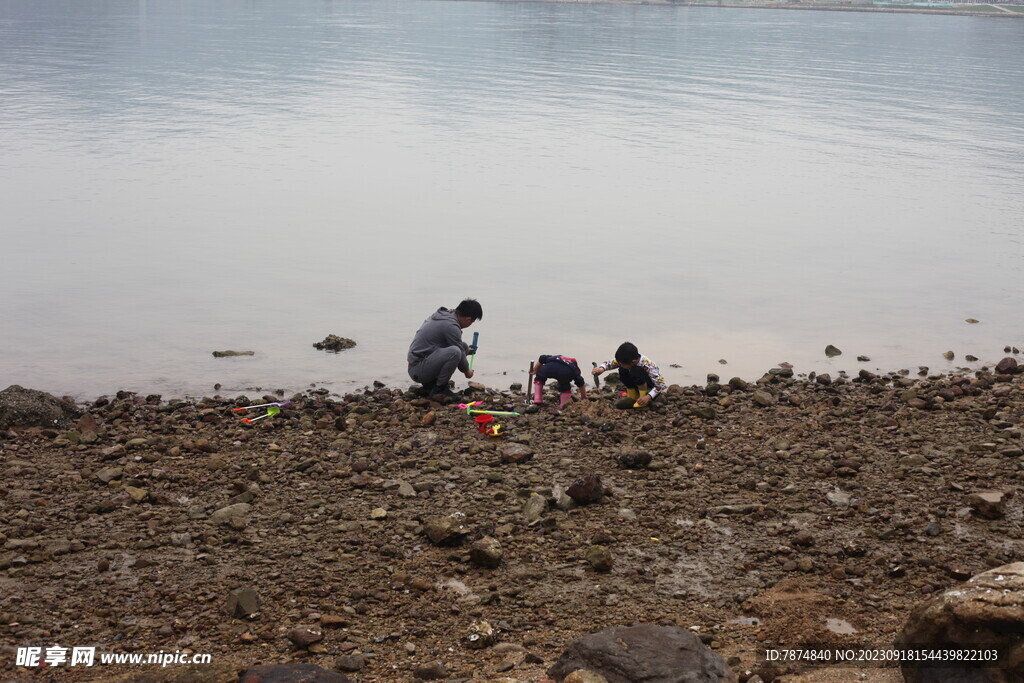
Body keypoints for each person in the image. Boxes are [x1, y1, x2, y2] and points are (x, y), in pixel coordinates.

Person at [407, 299, 482, 402]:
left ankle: (430, 386)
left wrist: (467, 350)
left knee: (462, 346)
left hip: (421, 364)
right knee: (455, 352)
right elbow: (458, 353)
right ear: (468, 319)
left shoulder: (446, 315)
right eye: (472, 322)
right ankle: (439, 390)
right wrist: (467, 372)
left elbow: (459, 346)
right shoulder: (451, 326)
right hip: (418, 370)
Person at [591, 341, 666, 408]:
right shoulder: (626, 359)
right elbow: (611, 363)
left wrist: (648, 396)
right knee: (622, 369)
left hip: (649, 386)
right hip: (636, 384)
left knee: (636, 370)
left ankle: (642, 397)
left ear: (633, 361)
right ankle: (632, 395)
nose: (619, 364)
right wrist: (601, 369)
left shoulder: (648, 365)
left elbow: (660, 384)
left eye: (621, 363)